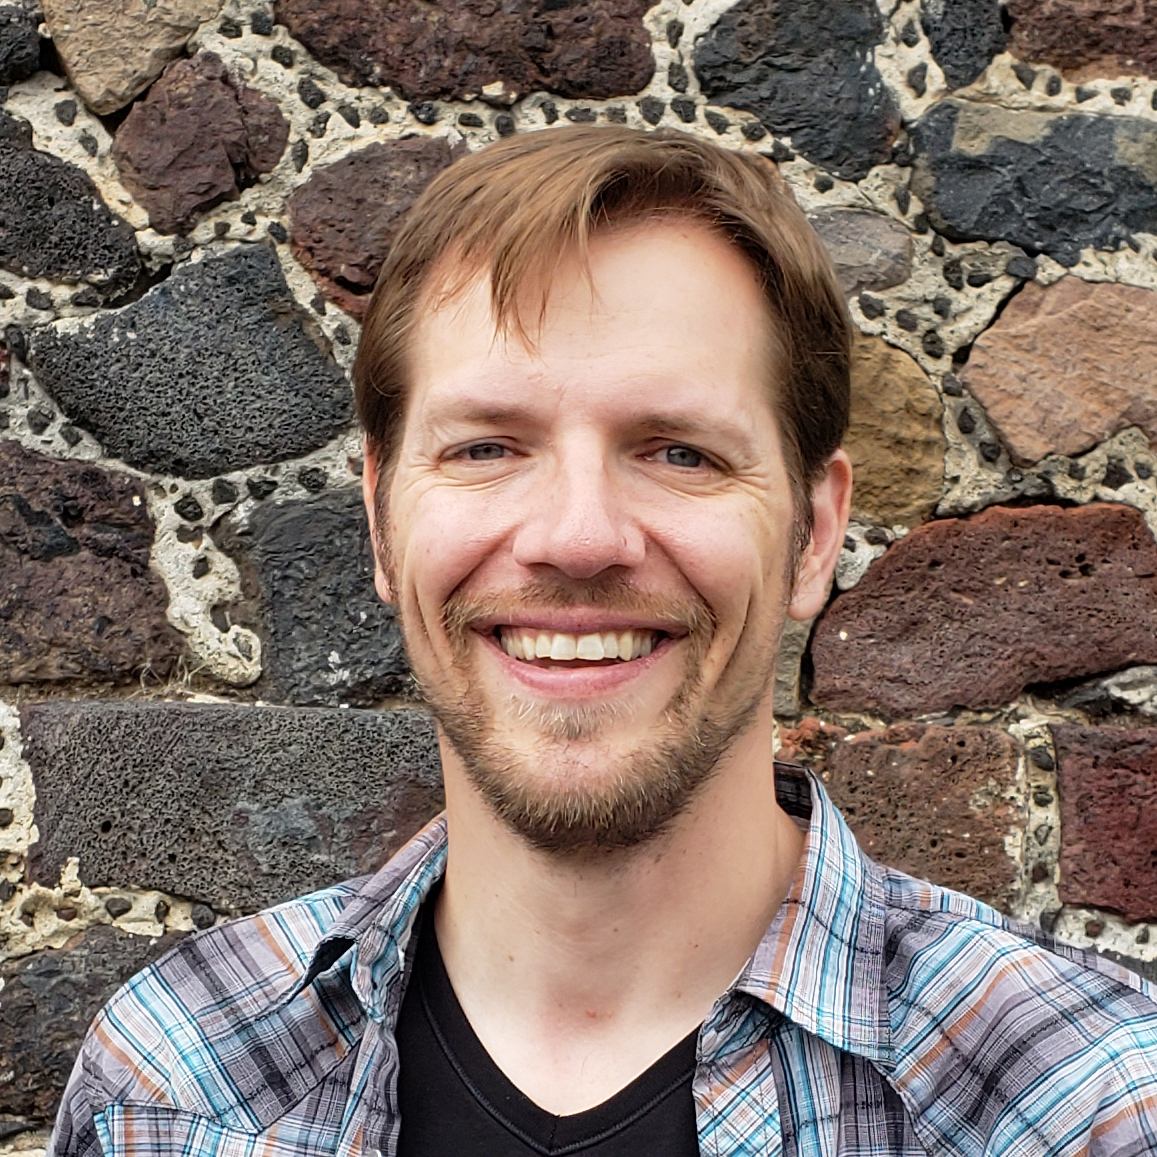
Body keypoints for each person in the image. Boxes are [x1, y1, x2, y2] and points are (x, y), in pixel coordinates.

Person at [51, 126, 1157, 1157]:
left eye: (679, 452)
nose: (577, 538)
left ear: (813, 534)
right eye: (487, 447)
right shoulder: (172, 1086)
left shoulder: (1094, 1106)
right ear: (381, 520)